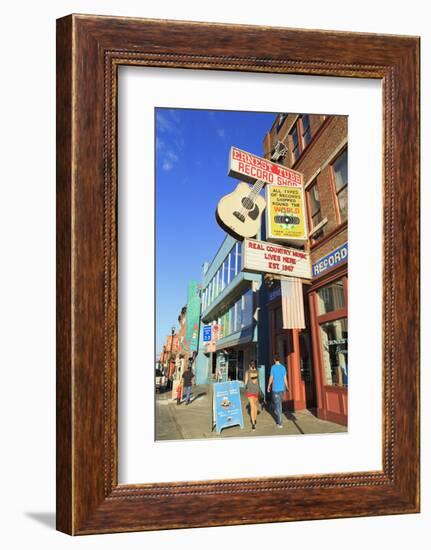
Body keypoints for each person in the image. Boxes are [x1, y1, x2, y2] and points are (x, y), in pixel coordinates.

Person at [267, 354, 288, 428]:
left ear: (274, 359)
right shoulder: (283, 367)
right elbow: (285, 378)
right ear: (279, 359)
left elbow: (271, 377)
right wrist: (287, 387)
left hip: (275, 389)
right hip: (281, 389)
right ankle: (279, 418)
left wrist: (268, 385)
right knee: (279, 404)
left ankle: (279, 423)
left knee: (277, 406)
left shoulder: (273, 367)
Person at [244, 360, 260, 430]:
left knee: (252, 406)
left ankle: (253, 423)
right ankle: (255, 419)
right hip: (256, 391)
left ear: (249, 365)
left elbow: (245, 382)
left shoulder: (247, 372)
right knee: (255, 405)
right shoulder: (257, 372)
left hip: (250, 391)